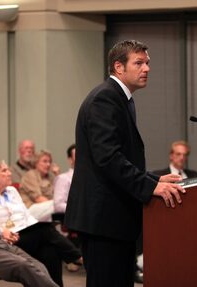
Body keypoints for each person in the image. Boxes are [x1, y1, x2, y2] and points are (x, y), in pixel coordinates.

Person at [65, 40, 185, 287]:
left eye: (148, 63)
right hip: (103, 219)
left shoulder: (119, 98)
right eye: (139, 63)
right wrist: (150, 187)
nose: (147, 69)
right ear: (118, 67)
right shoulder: (105, 99)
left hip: (114, 217)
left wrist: (155, 179)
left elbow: (122, 157)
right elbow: (108, 157)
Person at [0, 159, 82, 287]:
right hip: (5, 241)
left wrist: (34, 226)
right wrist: (3, 232)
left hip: (26, 236)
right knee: (44, 230)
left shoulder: (12, 191)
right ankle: (78, 257)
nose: (9, 173)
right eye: (4, 170)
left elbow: (27, 215)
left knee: (50, 251)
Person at [19, 150, 55, 221]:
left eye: (49, 162)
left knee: (60, 205)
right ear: (36, 162)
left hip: (46, 208)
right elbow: (38, 199)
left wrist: (57, 175)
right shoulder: (30, 175)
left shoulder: (51, 176)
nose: (48, 164)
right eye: (45, 161)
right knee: (57, 205)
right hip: (30, 208)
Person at [53, 144, 75, 214]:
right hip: (73, 219)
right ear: (70, 160)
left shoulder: (90, 179)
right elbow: (58, 205)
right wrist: (79, 210)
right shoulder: (63, 179)